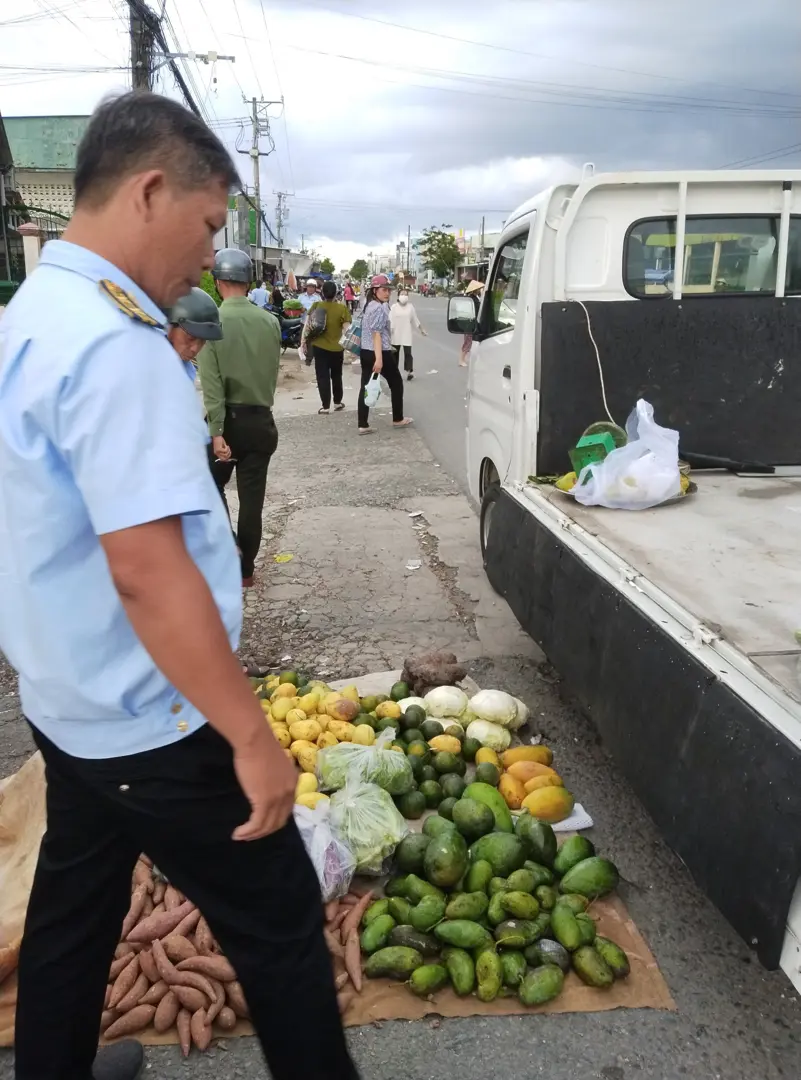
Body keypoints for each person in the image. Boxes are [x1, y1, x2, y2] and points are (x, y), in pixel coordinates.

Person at [0, 92, 360, 1080]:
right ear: (151, 191)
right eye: (208, 227)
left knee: (73, 916)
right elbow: (149, 571)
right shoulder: (119, 346)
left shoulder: (31, 313)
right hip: (151, 721)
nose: (210, 257)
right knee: (281, 921)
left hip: (66, 704)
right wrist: (251, 738)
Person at [198, 248, 281, 589]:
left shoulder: (212, 322)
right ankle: (246, 570)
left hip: (228, 425)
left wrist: (217, 432)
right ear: (249, 283)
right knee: (252, 502)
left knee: (204, 482)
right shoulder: (270, 322)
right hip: (262, 423)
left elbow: (212, 387)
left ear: (218, 283)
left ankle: (228, 543)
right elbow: (271, 374)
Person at [357, 273, 412, 434]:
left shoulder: (369, 305)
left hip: (366, 351)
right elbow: (376, 334)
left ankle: (363, 424)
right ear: (374, 290)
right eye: (383, 289)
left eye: (388, 290)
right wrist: (379, 359)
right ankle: (397, 418)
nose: (387, 293)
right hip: (378, 352)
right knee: (396, 383)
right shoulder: (379, 308)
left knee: (365, 387)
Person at [303, 278, 351, 414]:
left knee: (322, 375)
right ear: (336, 293)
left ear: (322, 293)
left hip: (319, 347)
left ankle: (325, 406)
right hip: (337, 348)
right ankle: (337, 402)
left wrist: (303, 343)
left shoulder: (317, 306)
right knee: (337, 375)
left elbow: (307, 326)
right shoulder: (342, 308)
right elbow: (347, 329)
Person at [166, 285, 223, 366]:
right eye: (190, 338)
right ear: (169, 326)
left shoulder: (186, 370)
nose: (195, 349)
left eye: (202, 341)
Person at [390, 288, 427, 380]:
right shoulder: (394, 307)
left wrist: (422, 329)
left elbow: (415, 320)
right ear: (398, 296)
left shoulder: (410, 307)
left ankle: (410, 371)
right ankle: (394, 372)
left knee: (408, 353)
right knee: (394, 354)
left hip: (406, 333)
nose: (404, 296)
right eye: (402, 294)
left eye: (406, 294)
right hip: (395, 333)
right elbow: (389, 321)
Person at [460, 279, 484, 367]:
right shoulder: (471, 299)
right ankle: (461, 359)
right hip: (469, 323)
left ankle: (465, 358)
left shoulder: (475, 298)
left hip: (473, 322)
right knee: (468, 341)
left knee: (473, 341)